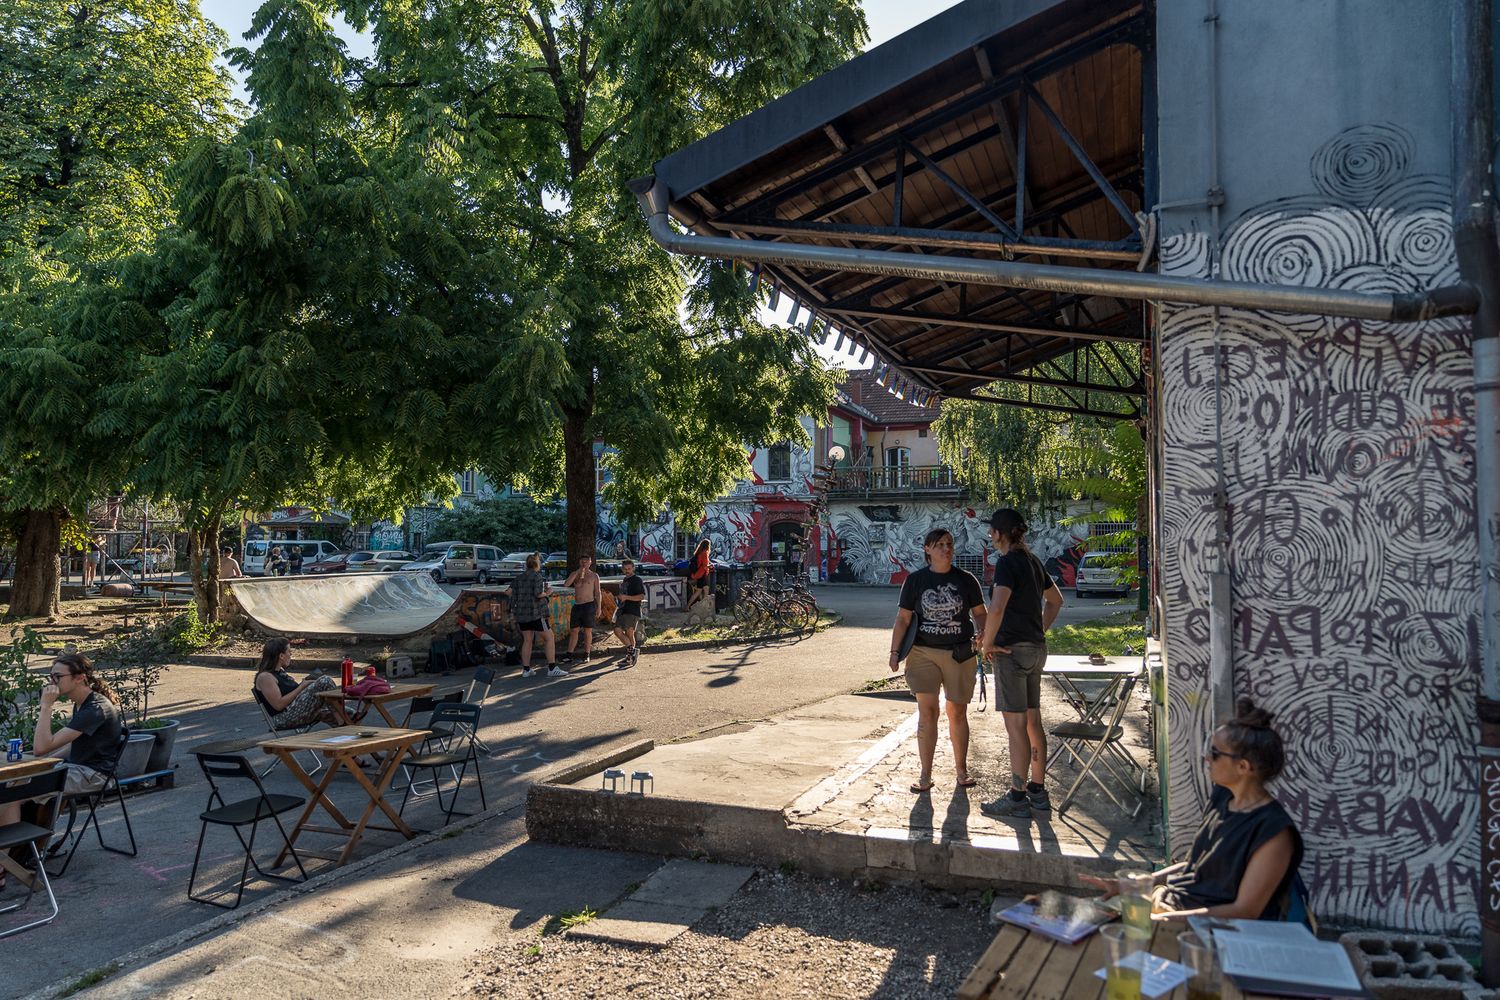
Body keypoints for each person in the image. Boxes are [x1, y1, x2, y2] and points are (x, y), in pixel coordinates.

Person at [1082, 698, 1304, 921]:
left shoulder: (1275, 833)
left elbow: (1245, 911)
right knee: (1077, 920)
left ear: (1243, 766)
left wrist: (1165, 921)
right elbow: (1195, 865)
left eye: (1215, 753)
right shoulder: (1223, 797)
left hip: (1211, 929)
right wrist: (1134, 885)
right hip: (1172, 904)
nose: (1207, 758)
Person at [0, 654, 125, 870]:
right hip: (77, 768)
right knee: (10, 787)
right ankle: (15, 856)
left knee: (13, 792)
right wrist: (45, 761)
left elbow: (41, 746)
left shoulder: (94, 708)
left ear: (79, 678)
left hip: (94, 775)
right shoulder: (83, 703)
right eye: (51, 676)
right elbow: (72, 746)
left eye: (57, 676)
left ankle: (3, 866)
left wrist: (46, 706)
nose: (52, 682)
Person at [979, 508, 1064, 819]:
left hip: (1011, 652)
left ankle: (1017, 797)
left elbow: (997, 606)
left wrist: (987, 643)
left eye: (992, 531)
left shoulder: (1007, 562)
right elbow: (1056, 601)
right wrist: (1038, 629)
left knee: (1015, 726)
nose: (990, 535)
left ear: (1000, 533)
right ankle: (1037, 792)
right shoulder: (1032, 561)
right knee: (1032, 722)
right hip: (1035, 649)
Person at [888, 528, 987, 793]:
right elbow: (903, 619)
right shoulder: (916, 581)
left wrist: (984, 634)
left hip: (960, 654)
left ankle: (961, 770)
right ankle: (925, 774)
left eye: (949, 544)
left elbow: (980, 614)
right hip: (923, 653)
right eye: (940, 545)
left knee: (957, 712)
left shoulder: (967, 580)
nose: (946, 548)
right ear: (927, 550)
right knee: (928, 712)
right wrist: (895, 652)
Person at [253, 637, 339, 730]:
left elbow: (293, 694)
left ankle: (346, 722)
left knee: (350, 714)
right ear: (281, 656)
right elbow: (278, 705)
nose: (291, 654)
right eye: (289, 651)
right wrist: (301, 687)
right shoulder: (265, 677)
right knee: (324, 681)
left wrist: (305, 685)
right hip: (284, 717)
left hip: (295, 710)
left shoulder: (280, 672)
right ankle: (341, 719)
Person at [509, 553, 562, 677]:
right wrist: (548, 592)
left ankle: (526, 669)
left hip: (522, 614)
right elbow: (538, 594)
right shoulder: (537, 577)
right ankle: (552, 668)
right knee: (549, 637)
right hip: (536, 613)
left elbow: (508, 592)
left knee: (527, 640)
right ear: (537, 564)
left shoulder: (519, 578)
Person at [563, 555, 600, 665]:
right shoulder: (575, 574)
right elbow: (566, 584)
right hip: (577, 605)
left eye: (586, 561)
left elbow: (597, 593)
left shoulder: (594, 576)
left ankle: (586, 654)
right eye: (582, 561)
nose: (584, 563)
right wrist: (577, 572)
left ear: (590, 562)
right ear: (579, 562)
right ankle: (569, 654)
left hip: (589, 605)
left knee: (588, 630)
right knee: (574, 630)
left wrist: (599, 607)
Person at [613, 558, 646, 668]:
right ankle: (632, 654)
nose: (627, 571)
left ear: (633, 568)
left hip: (632, 610)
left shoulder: (636, 580)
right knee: (618, 631)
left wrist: (626, 597)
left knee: (628, 633)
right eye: (625, 569)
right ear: (622, 569)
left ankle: (630, 656)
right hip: (623, 609)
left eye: (629, 569)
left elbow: (641, 596)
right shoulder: (625, 580)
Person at [687, 539, 713, 609]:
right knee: (702, 591)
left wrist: (709, 564)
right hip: (703, 575)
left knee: (701, 591)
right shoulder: (705, 553)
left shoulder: (699, 553)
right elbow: (704, 566)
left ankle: (689, 606)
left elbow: (701, 563)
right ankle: (703, 608)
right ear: (707, 546)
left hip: (700, 574)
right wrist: (710, 566)